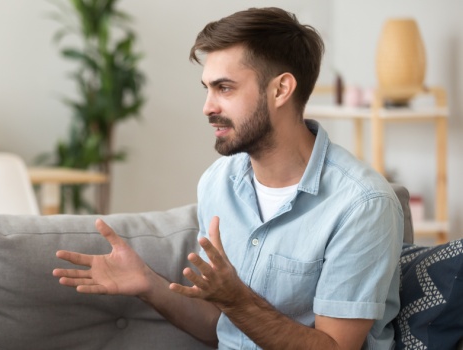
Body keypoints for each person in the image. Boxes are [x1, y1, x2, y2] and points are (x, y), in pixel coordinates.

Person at [53, 7, 403, 350]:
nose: (208, 107)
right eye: (207, 88)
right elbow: (217, 326)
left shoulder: (362, 205)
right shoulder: (218, 182)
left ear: (281, 90)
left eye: (224, 88)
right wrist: (147, 283)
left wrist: (236, 299)